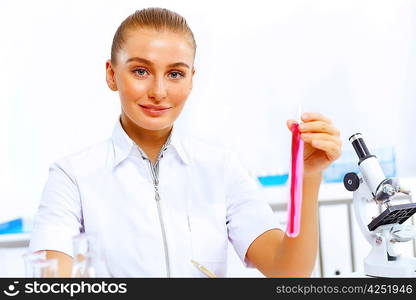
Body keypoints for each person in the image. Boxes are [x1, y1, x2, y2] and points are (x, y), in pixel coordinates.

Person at [29, 7, 342, 277]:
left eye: (175, 74)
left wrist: (309, 177)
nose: (158, 91)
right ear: (112, 75)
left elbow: (287, 271)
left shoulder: (221, 168)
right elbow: (51, 279)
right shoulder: (72, 177)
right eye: (140, 71)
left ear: (192, 79)